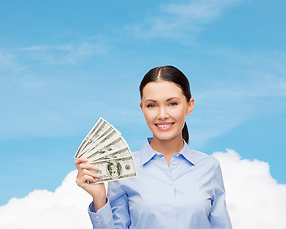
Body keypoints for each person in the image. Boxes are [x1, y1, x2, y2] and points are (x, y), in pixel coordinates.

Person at [75, 65, 232, 228]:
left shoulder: (209, 167)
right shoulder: (124, 171)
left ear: (189, 105)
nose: (162, 115)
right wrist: (99, 197)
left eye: (172, 104)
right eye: (152, 105)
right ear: (142, 109)